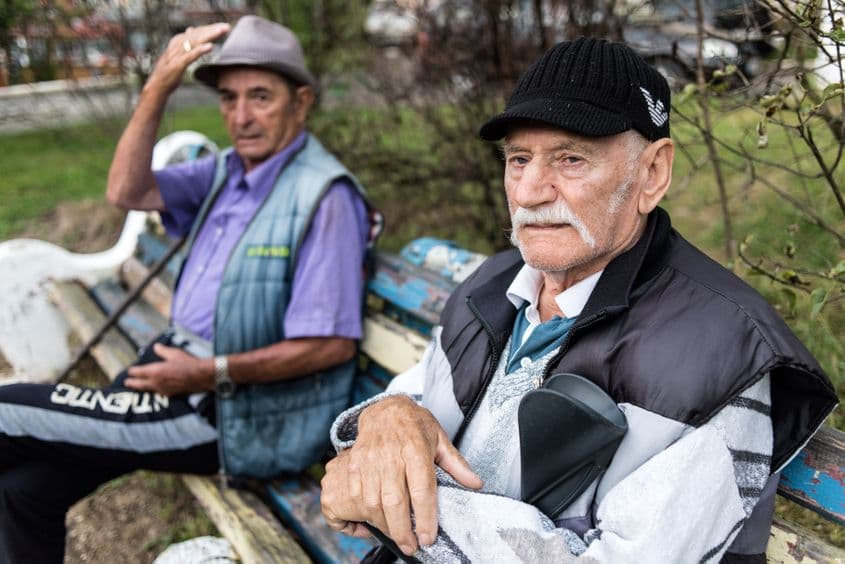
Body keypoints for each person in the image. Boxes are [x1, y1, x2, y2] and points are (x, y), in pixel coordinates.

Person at [319, 38, 837, 563]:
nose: (528, 192)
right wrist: (389, 414)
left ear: (652, 173)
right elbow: (411, 401)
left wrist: (401, 506)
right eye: (519, 159)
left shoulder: (724, 352)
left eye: (570, 159)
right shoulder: (494, 285)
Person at [0, 15, 377, 563]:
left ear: (302, 102)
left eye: (260, 97)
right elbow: (127, 190)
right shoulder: (227, 171)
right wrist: (157, 88)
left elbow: (330, 346)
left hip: (229, 414)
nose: (241, 116)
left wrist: (205, 373)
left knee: (7, 410)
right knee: (24, 492)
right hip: (179, 378)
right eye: (228, 98)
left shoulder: (325, 197)